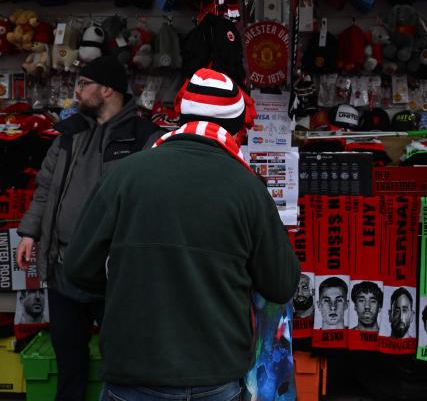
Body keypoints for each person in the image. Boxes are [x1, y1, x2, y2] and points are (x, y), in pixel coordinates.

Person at [64, 67, 300, 401]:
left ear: (181, 118)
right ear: (236, 127)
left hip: (133, 370)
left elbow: (76, 268)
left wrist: (126, 280)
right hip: (215, 373)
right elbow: (281, 283)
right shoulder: (248, 188)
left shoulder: (125, 176)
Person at [16, 55, 161, 401]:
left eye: (83, 85)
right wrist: (29, 232)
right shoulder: (69, 133)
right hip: (63, 266)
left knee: (122, 360)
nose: (76, 92)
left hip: (113, 274)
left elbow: (153, 201)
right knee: (69, 361)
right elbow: (46, 187)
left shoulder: (143, 137)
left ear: (107, 90)